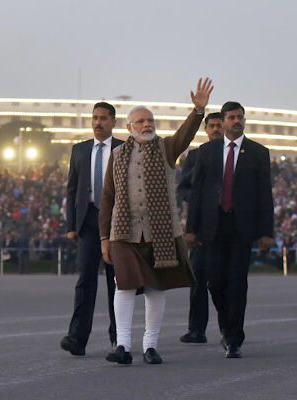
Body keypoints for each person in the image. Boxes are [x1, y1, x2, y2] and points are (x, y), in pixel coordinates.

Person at [100, 77, 213, 365]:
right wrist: (104, 238)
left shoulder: (166, 148)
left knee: (154, 288)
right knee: (123, 286)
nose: (147, 125)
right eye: (140, 121)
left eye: (150, 120)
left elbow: (185, 135)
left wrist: (198, 112)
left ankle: (150, 345)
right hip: (123, 233)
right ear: (129, 127)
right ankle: (123, 346)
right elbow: (107, 199)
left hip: (160, 234)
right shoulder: (116, 155)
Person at [186, 101, 274, 359]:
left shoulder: (258, 153)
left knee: (237, 283)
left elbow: (264, 195)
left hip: (241, 228)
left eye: (240, 117)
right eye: (232, 117)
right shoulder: (207, 152)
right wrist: (191, 228)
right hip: (212, 228)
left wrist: (267, 231)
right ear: (222, 122)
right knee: (214, 282)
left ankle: (234, 337)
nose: (237, 121)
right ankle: (226, 325)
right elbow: (197, 193)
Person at [60, 102, 123, 356]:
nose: (98, 123)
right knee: (85, 281)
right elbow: (72, 189)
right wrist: (71, 225)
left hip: (118, 225)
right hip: (87, 224)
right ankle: (77, 338)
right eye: (95, 118)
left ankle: (120, 338)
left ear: (113, 122)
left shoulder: (124, 149)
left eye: (103, 118)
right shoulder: (79, 151)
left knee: (116, 283)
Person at [177, 112, 223, 344]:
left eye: (218, 125)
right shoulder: (194, 157)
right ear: (205, 130)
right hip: (201, 227)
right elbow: (182, 187)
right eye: (211, 126)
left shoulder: (234, 155)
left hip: (227, 227)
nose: (215, 129)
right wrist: (195, 201)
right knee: (198, 279)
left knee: (223, 281)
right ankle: (197, 329)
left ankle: (229, 327)